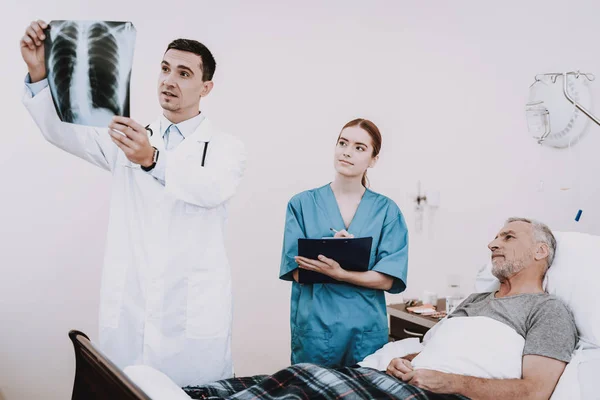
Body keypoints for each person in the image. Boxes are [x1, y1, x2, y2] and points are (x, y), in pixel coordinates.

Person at [20, 20, 246, 386]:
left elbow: (212, 188)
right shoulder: (126, 138)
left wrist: (152, 158)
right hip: (131, 310)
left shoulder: (225, 147)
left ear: (206, 87)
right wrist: (38, 73)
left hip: (190, 321)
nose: (169, 80)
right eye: (165, 68)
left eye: (184, 73)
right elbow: (61, 131)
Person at [385, 217, 578, 400]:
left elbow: (534, 392)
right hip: (399, 382)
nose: (492, 244)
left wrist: (450, 383)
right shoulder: (475, 300)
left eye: (508, 237)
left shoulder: (548, 310)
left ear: (540, 251)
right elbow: (440, 351)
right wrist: (403, 362)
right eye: (496, 237)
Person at [279, 118, 409, 367]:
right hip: (316, 331)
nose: (347, 152)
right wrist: (327, 246)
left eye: (360, 147)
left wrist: (340, 273)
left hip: (366, 333)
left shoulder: (387, 211)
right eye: (343, 143)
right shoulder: (302, 204)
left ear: (373, 159)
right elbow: (295, 271)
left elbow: (388, 279)